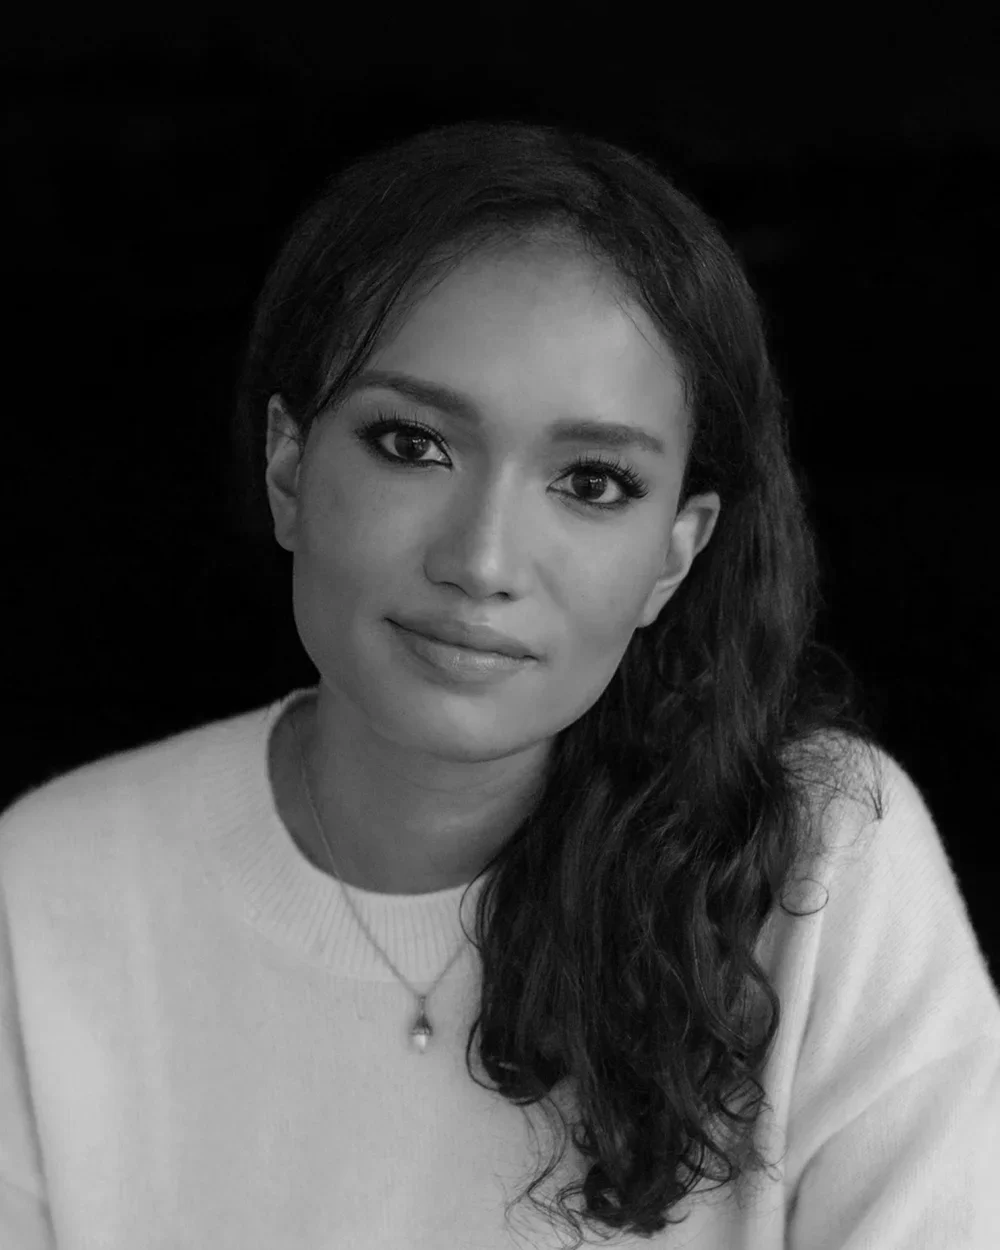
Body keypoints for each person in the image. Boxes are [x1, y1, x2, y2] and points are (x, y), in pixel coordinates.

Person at [2, 119, 998, 1249]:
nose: (479, 560)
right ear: (288, 466)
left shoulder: (816, 864)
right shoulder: (51, 884)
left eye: (589, 479)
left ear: (674, 553)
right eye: (412, 443)